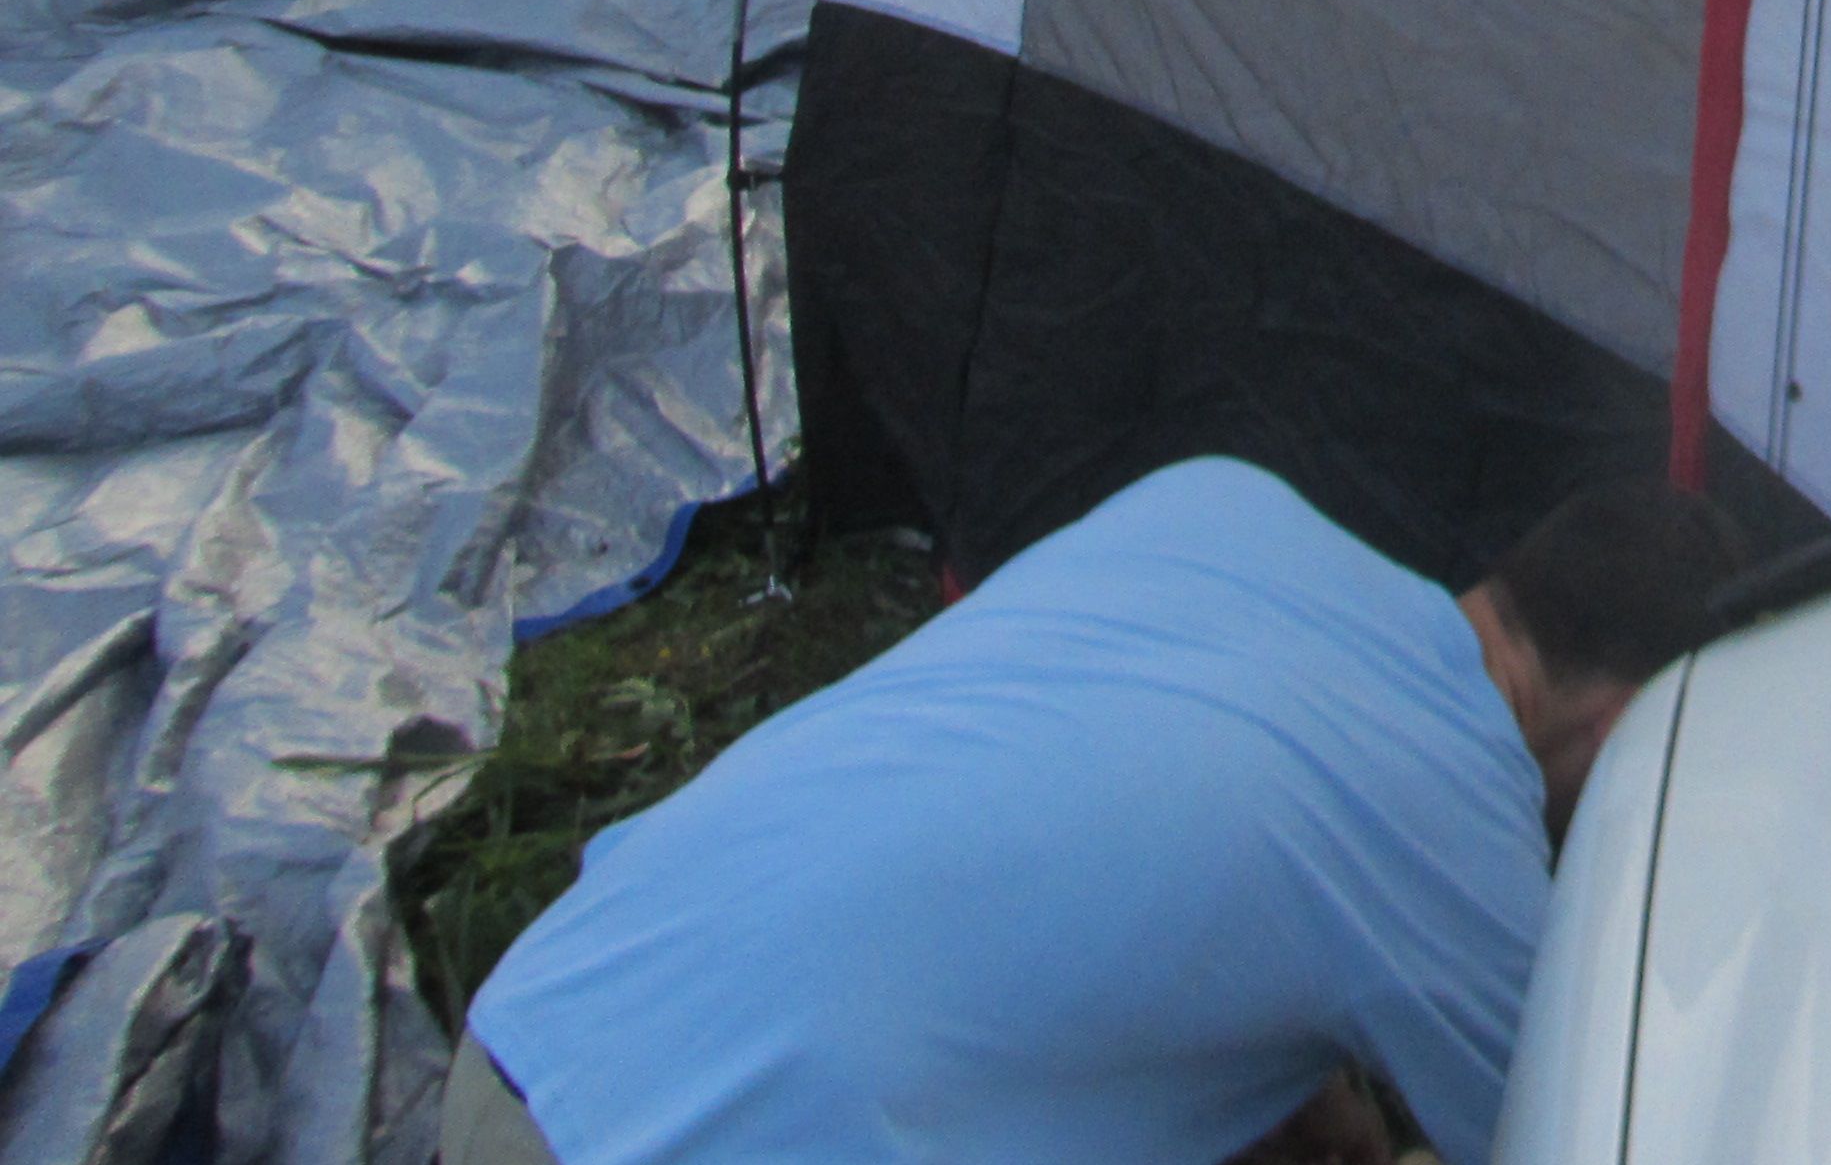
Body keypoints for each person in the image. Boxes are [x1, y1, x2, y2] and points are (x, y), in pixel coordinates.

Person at [443, 462, 1742, 1165]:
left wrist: (1281, 1082)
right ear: (1634, 733)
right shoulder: (1468, 848)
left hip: (536, 1025)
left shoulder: (1230, 503)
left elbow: (1117, 823)